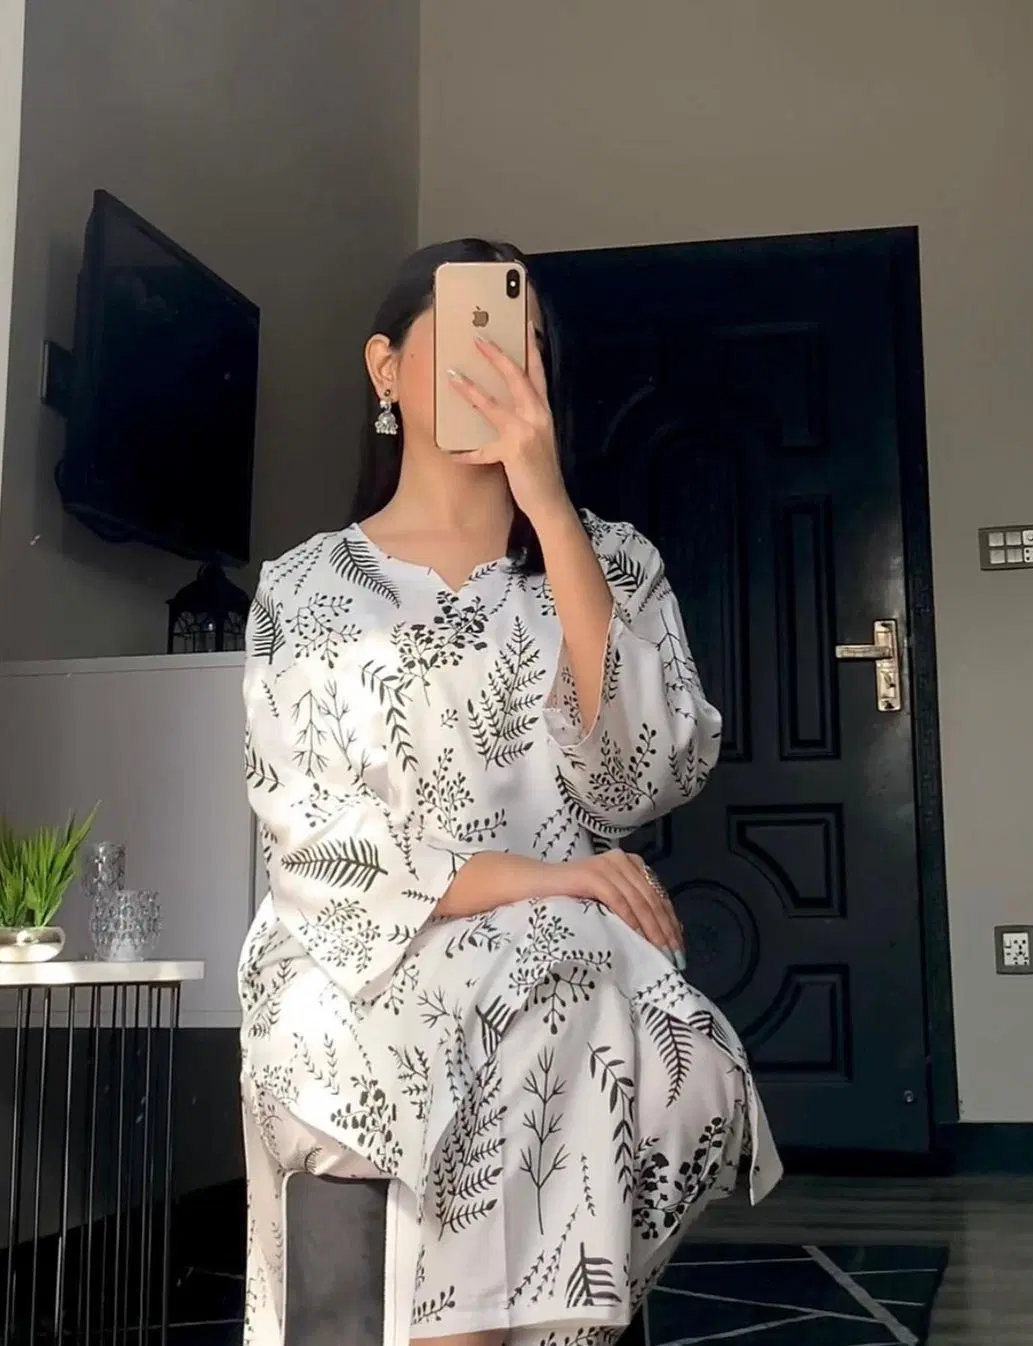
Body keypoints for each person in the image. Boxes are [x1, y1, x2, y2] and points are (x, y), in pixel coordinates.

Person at [238, 238, 781, 1346]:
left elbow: (643, 772)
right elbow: (320, 848)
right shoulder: (306, 588)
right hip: (367, 952)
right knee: (558, 968)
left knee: (587, 989)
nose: (503, 362)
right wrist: (546, 880)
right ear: (386, 370)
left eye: (525, 343)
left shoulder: (613, 561)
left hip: (571, 948)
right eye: (474, 330)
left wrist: (550, 505)